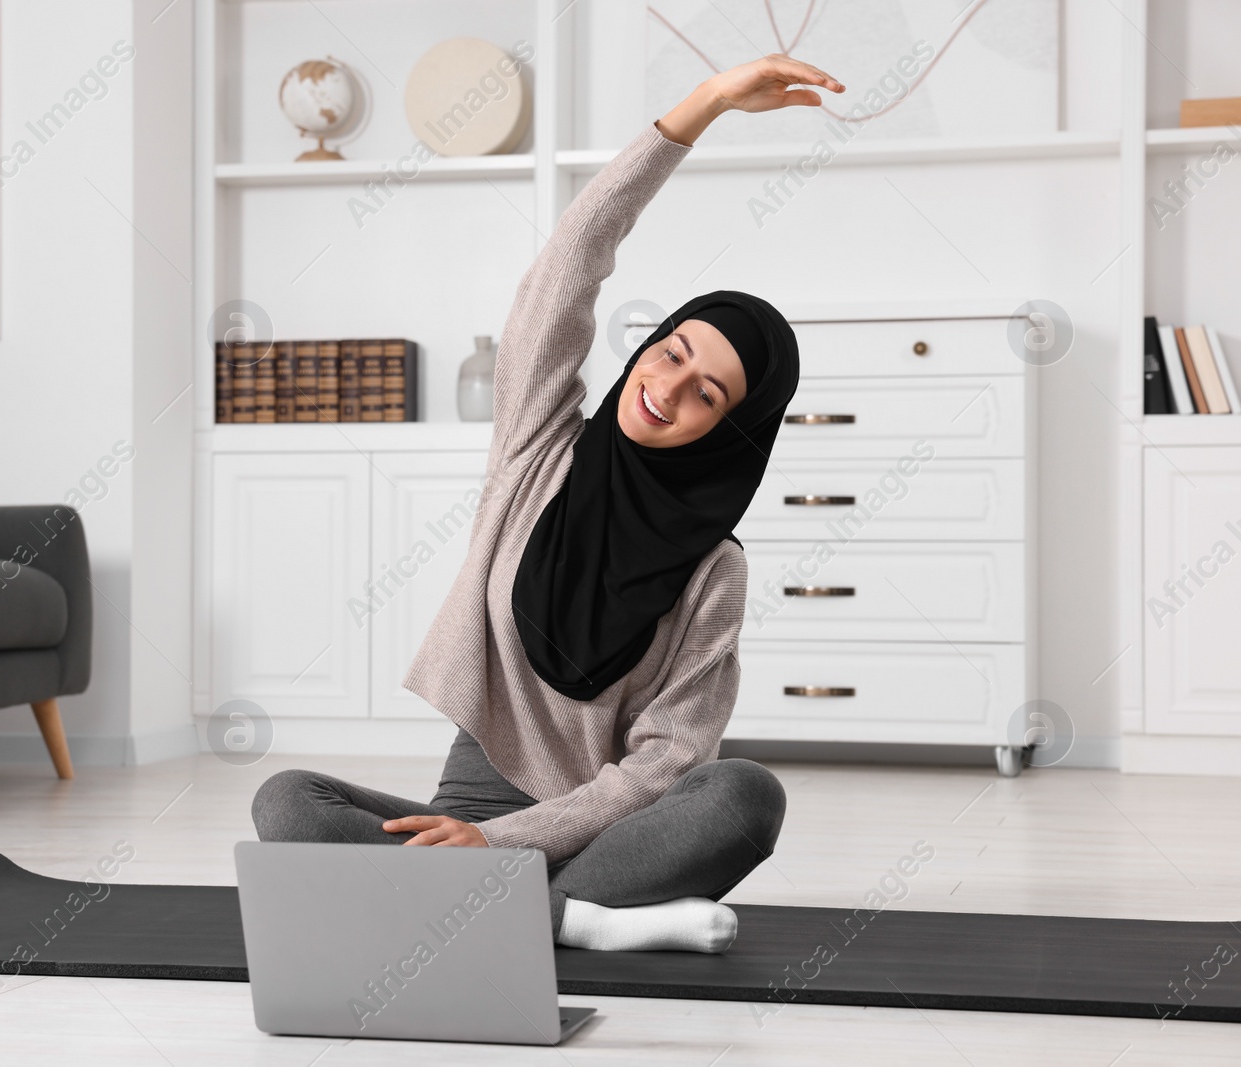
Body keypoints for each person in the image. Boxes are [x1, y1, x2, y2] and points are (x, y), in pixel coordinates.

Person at [252, 54, 845, 953]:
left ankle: (478, 909)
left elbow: (666, 766)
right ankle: (579, 924)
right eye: (674, 350)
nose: (670, 386)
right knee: (286, 800)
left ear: (728, 432)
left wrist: (498, 844)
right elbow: (572, 259)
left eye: (710, 395)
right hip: (464, 808)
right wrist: (708, 103)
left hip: (594, 831)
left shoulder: (712, 571)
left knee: (743, 795)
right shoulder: (539, 450)